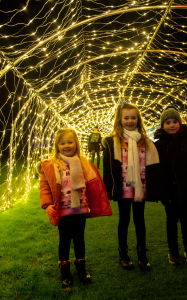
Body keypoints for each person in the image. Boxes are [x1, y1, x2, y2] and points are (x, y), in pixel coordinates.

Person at [38, 128, 112, 289]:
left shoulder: (83, 163)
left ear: (76, 144)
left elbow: (93, 185)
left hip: (80, 209)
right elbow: (45, 187)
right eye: (62, 143)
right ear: (57, 146)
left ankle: (81, 268)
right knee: (64, 240)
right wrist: (47, 205)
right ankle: (64, 271)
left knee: (79, 239)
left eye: (70, 142)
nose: (66, 145)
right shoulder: (52, 165)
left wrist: (95, 204)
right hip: (63, 210)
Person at [102, 102, 163, 271]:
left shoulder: (145, 142)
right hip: (123, 189)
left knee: (139, 220)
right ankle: (123, 254)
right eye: (126, 118)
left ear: (138, 119)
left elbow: (154, 166)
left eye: (133, 117)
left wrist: (155, 190)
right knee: (124, 220)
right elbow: (107, 169)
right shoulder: (113, 141)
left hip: (140, 188)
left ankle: (142, 254)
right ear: (120, 120)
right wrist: (109, 189)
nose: (130, 121)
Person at [153, 106, 187, 265]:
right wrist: (158, 190)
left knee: (186, 219)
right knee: (171, 220)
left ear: (180, 123)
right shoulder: (159, 145)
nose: (171, 125)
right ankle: (173, 250)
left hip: (186, 189)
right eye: (168, 122)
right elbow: (156, 169)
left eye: (175, 121)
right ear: (163, 125)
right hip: (168, 191)